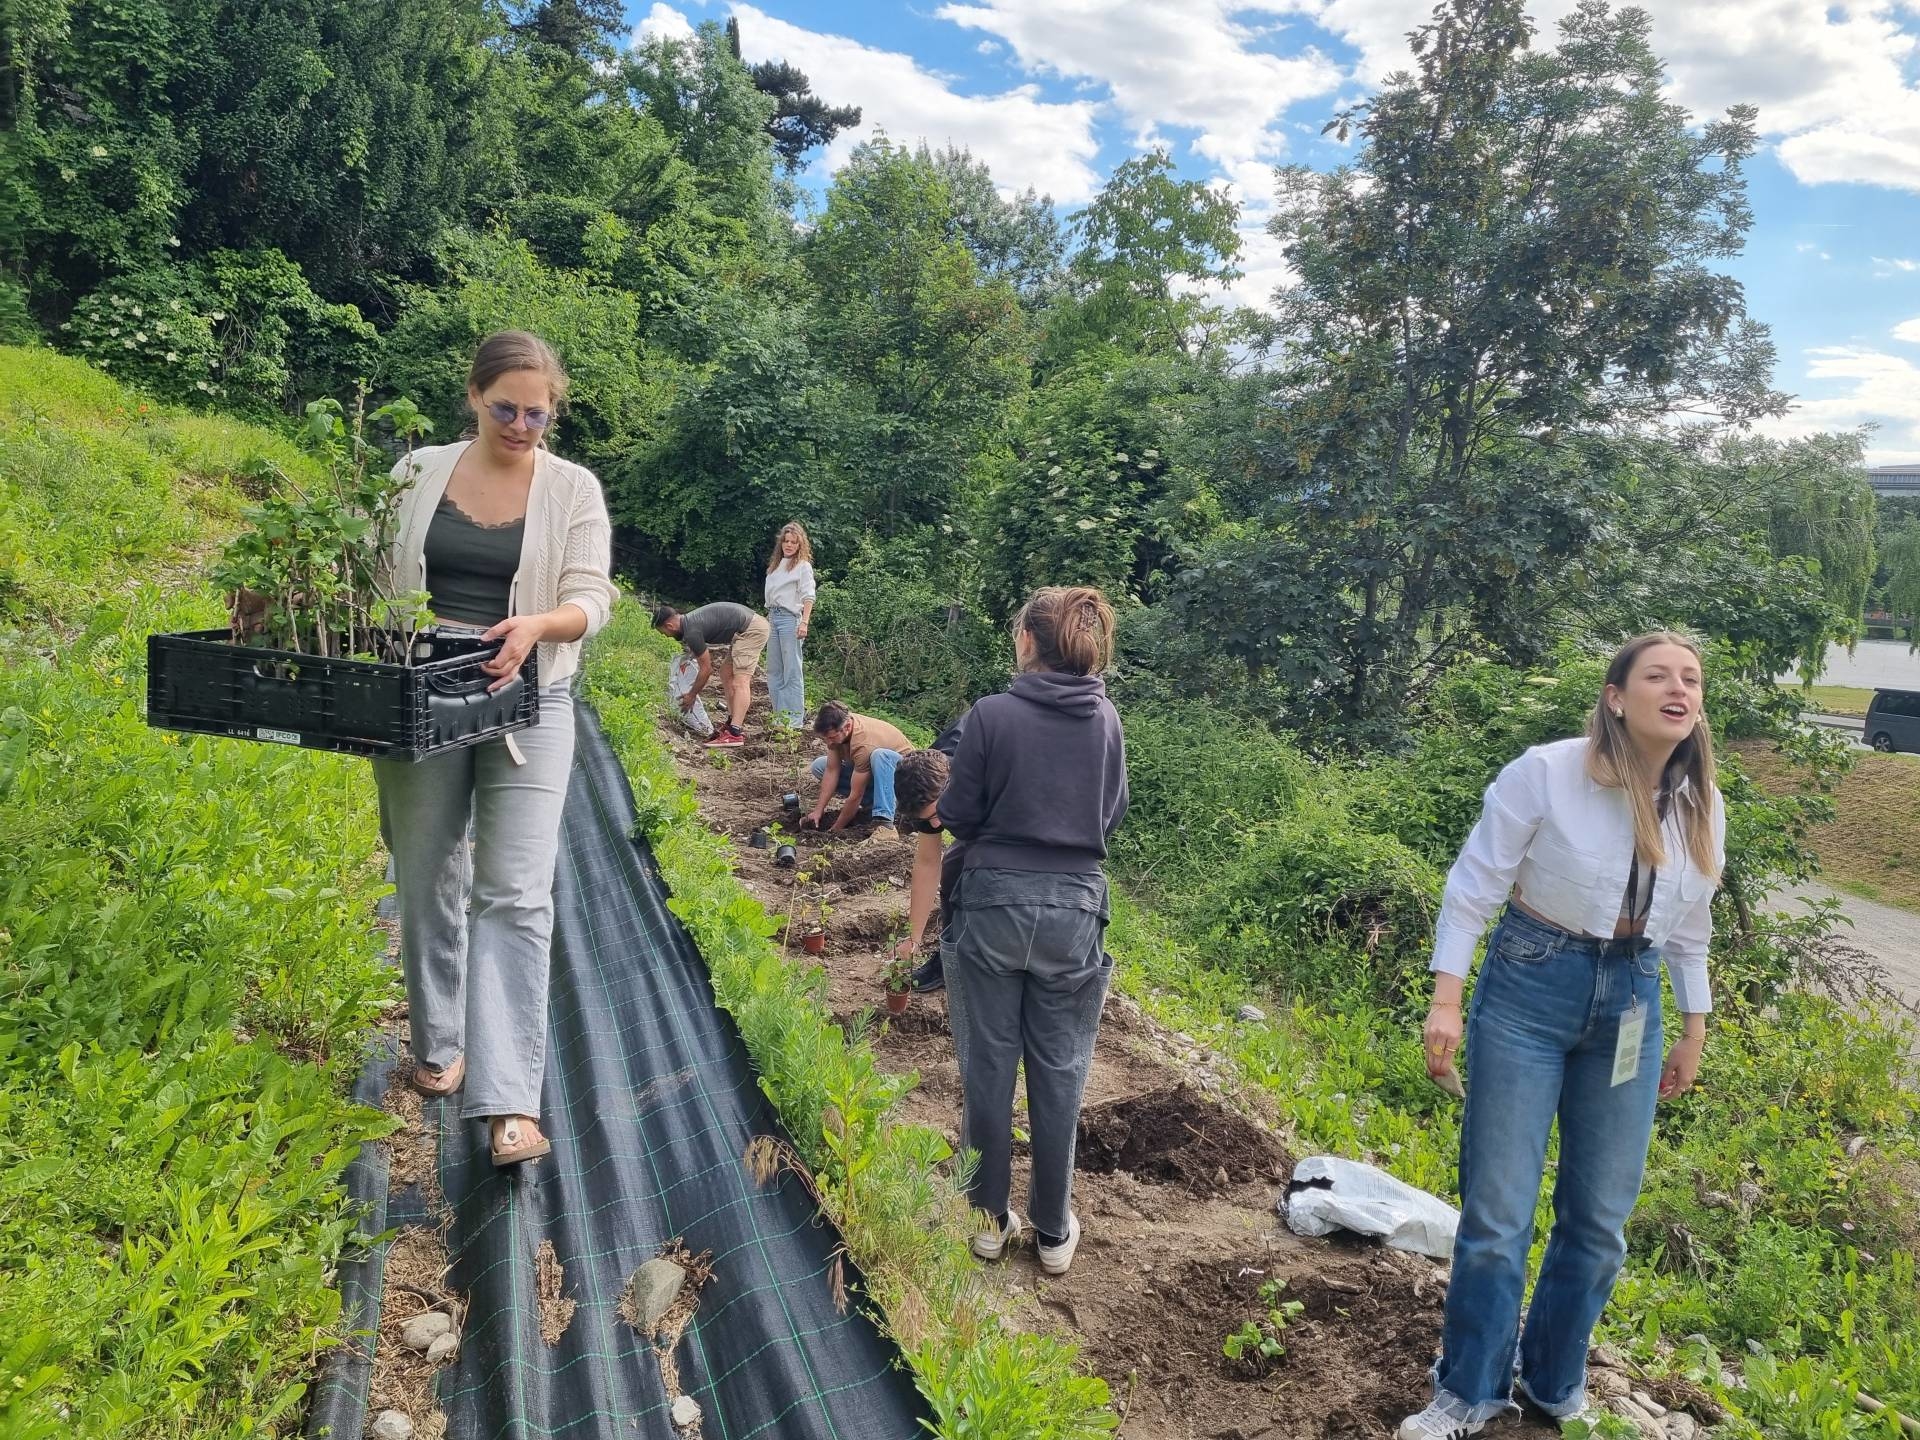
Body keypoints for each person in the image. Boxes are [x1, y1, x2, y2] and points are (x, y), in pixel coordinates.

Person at [1397, 632, 1724, 1440]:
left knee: (1600, 1220)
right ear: (1616, 696)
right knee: (1498, 1214)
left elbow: (1690, 929)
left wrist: (1694, 1027)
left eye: (1690, 679)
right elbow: (1473, 887)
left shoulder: (1701, 804)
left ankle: (1551, 1381)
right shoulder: (1544, 773)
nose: (1678, 689)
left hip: (1634, 999)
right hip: (1528, 988)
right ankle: (1468, 1390)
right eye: (1658, 675)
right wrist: (1446, 1000)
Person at [373, 330, 619, 1168]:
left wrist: (538, 625)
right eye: (505, 408)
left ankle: (510, 1100)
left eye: (536, 414)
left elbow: (592, 597)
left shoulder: (573, 489)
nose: (520, 425)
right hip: (419, 691)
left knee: (514, 891)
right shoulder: (417, 472)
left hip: (531, 699)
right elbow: (363, 567)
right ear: (474, 396)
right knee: (425, 870)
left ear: (554, 413)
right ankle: (439, 1043)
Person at [939, 586, 1128, 1277]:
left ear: (1026, 641)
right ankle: (1053, 1231)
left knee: (989, 1066)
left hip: (992, 904)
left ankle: (987, 1222)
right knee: (1061, 1071)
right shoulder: (1106, 719)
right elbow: (1112, 814)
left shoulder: (990, 714)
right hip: (1074, 911)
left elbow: (958, 814)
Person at [890, 731, 964, 994]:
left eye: (937, 813)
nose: (936, 824)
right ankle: (948, 957)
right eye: (926, 819)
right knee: (953, 868)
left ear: (951, 785)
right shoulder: (921, 778)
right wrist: (914, 938)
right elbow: (927, 862)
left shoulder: (981, 768)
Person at [652, 601, 771, 747]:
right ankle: (732, 722)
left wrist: (692, 695)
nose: (667, 636)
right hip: (745, 628)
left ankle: (735, 733)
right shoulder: (689, 623)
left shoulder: (691, 632)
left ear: (669, 626)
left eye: (663, 633)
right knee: (726, 672)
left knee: (740, 680)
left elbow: (706, 670)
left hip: (751, 630)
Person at [805, 700, 913, 831]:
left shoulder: (863, 744)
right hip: (879, 777)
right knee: (819, 766)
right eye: (825, 738)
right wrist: (818, 811)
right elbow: (831, 770)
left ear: (847, 727)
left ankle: (884, 819)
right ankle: (873, 805)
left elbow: (856, 795)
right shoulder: (840, 725)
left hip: (906, 784)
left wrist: (836, 829)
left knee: (880, 756)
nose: (828, 743)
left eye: (832, 738)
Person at [764, 522, 816, 727]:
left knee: (791, 669)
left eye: (794, 542)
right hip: (773, 616)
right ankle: (779, 716)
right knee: (774, 669)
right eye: (786, 541)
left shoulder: (802, 566)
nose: (789, 545)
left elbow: (808, 595)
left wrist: (804, 622)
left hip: (789, 618)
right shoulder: (775, 566)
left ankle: (793, 720)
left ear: (800, 544)